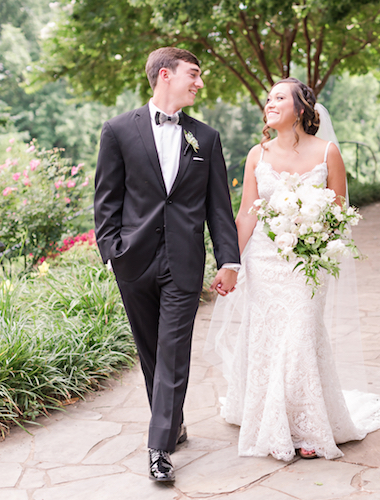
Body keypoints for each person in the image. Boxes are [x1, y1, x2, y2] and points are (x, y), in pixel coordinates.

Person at [205, 78, 380, 461]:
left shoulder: (328, 153)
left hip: (308, 262)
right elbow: (245, 215)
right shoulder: (258, 154)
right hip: (264, 260)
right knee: (270, 336)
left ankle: (308, 425)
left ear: (301, 109)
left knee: (302, 333)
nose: (269, 104)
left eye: (279, 98)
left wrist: (311, 233)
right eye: (269, 98)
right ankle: (276, 420)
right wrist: (231, 265)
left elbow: (339, 213)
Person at [94, 47, 241, 482]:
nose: (199, 82)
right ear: (165, 75)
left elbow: (219, 206)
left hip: (183, 262)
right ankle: (172, 424)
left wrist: (228, 260)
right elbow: (106, 200)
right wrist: (112, 252)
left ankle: (158, 448)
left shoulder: (206, 138)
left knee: (174, 352)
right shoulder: (119, 130)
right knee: (151, 353)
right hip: (133, 261)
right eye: (193, 74)